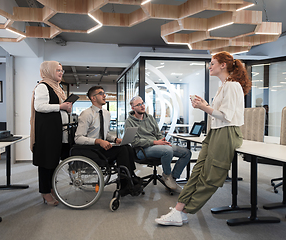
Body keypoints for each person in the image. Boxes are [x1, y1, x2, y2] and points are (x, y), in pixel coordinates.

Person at [155, 51, 251, 226]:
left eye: (212, 63)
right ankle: (178, 210)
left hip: (226, 133)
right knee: (197, 173)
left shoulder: (232, 85)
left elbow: (226, 116)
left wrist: (203, 107)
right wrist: (205, 105)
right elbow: (220, 114)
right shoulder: (224, 86)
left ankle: (183, 211)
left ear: (223, 65)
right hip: (216, 132)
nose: (209, 66)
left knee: (210, 177)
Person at [74, 86, 142, 196]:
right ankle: (125, 184)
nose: (105, 95)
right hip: (91, 149)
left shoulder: (106, 113)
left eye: (104, 93)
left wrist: (115, 139)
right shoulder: (86, 114)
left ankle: (131, 175)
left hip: (102, 147)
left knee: (127, 147)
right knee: (122, 151)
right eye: (101, 93)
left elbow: (105, 134)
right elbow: (78, 138)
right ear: (93, 98)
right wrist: (98, 141)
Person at [125, 96, 192, 192]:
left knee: (186, 153)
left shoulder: (150, 118)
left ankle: (173, 178)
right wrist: (155, 142)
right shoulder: (129, 122)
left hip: (157, 146)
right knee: (167, 150)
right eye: (138, 105)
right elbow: (134, 142)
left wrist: (162, 140)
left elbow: (157, 134)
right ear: (133, 108)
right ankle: (167, 176)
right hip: (142, 150)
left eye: (143, 103)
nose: (142, 106)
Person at [30, 61, 73, 206]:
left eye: (62, 70)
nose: (61, 73)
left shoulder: (57, 87)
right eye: (57, 70)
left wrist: (66, 108)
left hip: (56, 130)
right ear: (48, 71)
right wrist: (61, 106)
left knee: (53, 161)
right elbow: (39, 106)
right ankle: (45, 192)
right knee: (46, 162)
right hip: (47, 131)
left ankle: (50, 188)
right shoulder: (43, 86)